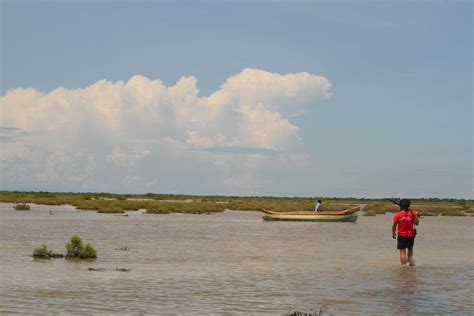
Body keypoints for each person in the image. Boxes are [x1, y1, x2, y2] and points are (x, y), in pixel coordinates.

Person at [392, 199, 419, 266]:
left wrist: (393, 233)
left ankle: (403, 267)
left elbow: (394, 226)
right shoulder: (413, 213)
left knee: (402, 252)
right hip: (411, 235)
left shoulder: (397, 215)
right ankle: (410, 263)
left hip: (401, 235)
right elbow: (417, 223)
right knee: (410, 249)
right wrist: (415, 216)